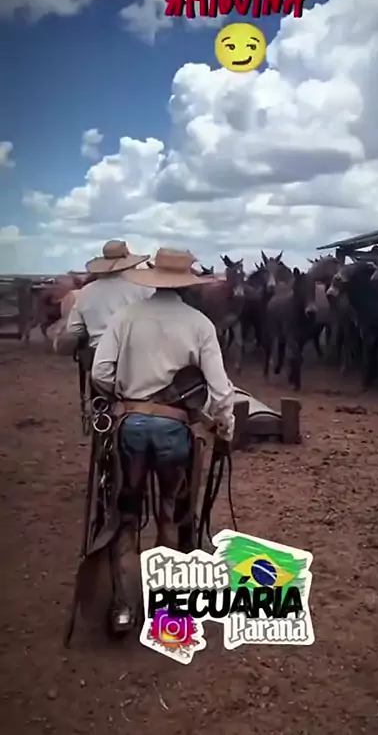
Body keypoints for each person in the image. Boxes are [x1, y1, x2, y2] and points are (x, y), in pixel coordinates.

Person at [91, 247, 235, 633]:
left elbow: (101, 372)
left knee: (125, 515)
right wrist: (225, 427)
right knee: (172, 512)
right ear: (187, 283)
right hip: (175, 430)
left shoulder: (126, 316)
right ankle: (168, 607)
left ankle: (123, 608)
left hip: (131, 425)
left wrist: (124, 394)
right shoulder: (200, 324)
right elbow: (221, 391)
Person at [54, 239, 154, 355]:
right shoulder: (145, 288)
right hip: (136, 352)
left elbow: (74, 329)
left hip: (99, 353)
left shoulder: (85, 291)